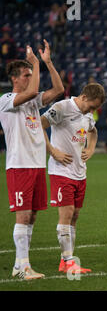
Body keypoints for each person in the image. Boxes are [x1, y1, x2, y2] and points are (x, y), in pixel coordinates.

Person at [0, 40, 64, 280]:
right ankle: (24, 267)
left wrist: (47, 63)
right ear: (15, 79)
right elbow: (31, 91)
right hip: (19, 166)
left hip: (37, 165)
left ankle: (20, 264)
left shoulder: (33, 102)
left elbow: (58, 90)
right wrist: (35, 63)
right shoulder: (6, 100)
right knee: (23, 215)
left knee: (33, 215)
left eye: (30, 74)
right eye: (26, 75)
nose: (30, 78)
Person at [41, 83, 106, 274]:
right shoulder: (62, 108)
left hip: (80, 172)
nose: (92, 111)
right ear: (84, 97)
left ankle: (65, 260)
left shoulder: (87, 114)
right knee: (67, 213)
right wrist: (53, 151)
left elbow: (93, 132)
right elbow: (39, 125)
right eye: (92, 106)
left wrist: (91, 148)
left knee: (75, 216)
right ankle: (69, 262)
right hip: (61, 171)